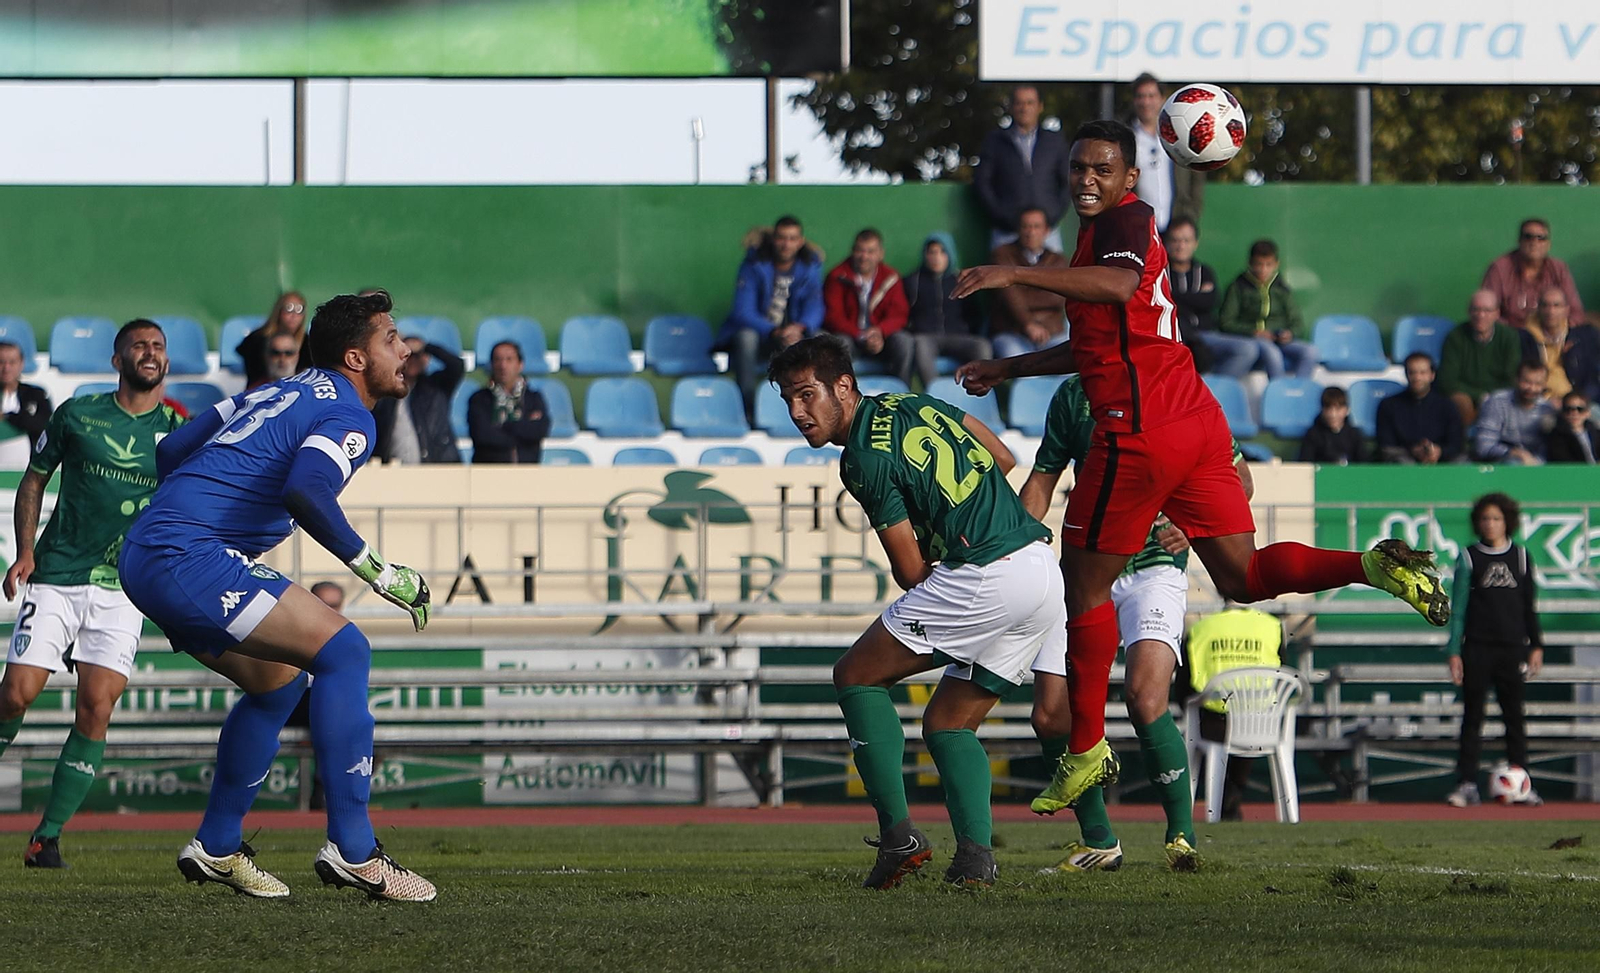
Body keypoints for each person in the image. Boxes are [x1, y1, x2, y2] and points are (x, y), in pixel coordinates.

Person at [952, 118, 1448, 813]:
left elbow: (1120, 287)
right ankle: (1369, 566)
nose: (1086, 180)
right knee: (1242, 576)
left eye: (1101, 168)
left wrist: (1013, 270)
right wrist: (1010, 366)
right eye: (1077, 169)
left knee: (1081, 584)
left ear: (1130, 177)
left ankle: (1087, 748)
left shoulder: (1128, 219)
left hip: (1143, 427)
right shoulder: (1097, 241)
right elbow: (1100, 339)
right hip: (1198, 419)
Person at [118, 290, 436, 901]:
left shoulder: (273, 390)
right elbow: (307, 491)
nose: (405, 349)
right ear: (355, 357)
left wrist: (197, 513)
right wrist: (377, 570)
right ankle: (355, 849)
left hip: (152, 553)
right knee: (346, 653)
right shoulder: (351, 415)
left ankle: (216, 846)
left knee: (278, 684)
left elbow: (171, 451)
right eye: (391, 339)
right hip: (189, 553)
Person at [770, 335, 1058, 889]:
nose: (798, 412)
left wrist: (954, 552)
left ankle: (899, 838)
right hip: (1042, 570)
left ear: (843, 386)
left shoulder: (862, 458)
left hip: (987, 571)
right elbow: (1001, 457)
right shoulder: (911, 403)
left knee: (855, 674)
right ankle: (975, 859)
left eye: (807, 395)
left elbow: (908, 571)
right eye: (789, 400)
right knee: (949, 722)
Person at [1020, 373, 1250, 872]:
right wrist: (1016, 545)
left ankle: (1182, 837)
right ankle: (1099, 842)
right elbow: (1043, 478)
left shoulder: (1181, 387)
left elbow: (1239, 479)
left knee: (1146, 698)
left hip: (1152, 570)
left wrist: (1191, 524)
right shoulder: (1072, 395)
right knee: (1050, 715)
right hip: (1086, 568)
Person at [0, 320, 184, 868]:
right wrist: (25, 551)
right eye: (139, 346)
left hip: (123, 587)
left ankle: (46, 838)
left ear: (167, 362)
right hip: (57, 574)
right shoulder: (77, 414)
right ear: (117, 359)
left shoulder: (179, 429)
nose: (150, 353)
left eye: (158, 347)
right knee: (16, 695)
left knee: (96, 709)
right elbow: (35, 478)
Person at [1445, 493, 1543, 808]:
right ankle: (1467, 783)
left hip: (1513, 648)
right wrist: (1454, 650)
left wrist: (1536, 644)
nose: (1491, 524)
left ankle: (1522, 782)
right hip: (1478, 648)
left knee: (1514, 716)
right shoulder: (1469, 557)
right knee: (1472, 717)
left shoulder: (1522, 557)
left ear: (1508, 521)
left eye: (1497, 518)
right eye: (1485, 518)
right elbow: (1457, 608)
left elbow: (1529, 607)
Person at [1182, 606, 1286, 821]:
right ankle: (1233, 792)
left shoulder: (1201, 628)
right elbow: (1282, 675)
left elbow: (1183, 688)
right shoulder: (1273, 626)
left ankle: (1223, 794)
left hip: (1214, 723)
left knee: (1209, 733)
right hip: (1263, 723)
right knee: (1245, 729)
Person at [715, 215, 825, 409]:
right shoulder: (754, 264)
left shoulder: (809, 267)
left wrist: (800, 327)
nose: (786, 244)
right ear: (774, 239)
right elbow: (742, 311)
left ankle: (815, 409)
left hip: (794, 336)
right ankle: (747, 407)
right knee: (745, 337)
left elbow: (815, 306)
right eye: (782, 238)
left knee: (821, 339)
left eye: (792, 239)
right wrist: (775, 331)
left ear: (800, 242)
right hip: (763, 338)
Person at [974, 84, 1070, 251]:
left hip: (1047, 233)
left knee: (1053, 276)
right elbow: (982, 183)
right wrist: (1002, 216)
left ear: (1040, 106)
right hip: (1007, 232)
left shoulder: (1054, 141)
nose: (1024, 108)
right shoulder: (995, 141)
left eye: (1030, 103)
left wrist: (1052, 216)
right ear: (1011, 107)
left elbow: (1068, 180)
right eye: (1019, 103)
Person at [1216, 240, 1318, 379]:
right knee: (1273, 354)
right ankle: (1278, 395)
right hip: (1254, 340)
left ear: (1276, 264)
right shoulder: (1238, 287)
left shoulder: (1281, 288)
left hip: (1279, 340)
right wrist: (1254, 332)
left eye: (1268, 265)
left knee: (1310, 352)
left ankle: (1299, 393)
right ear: (1250, 263)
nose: (1263, 270)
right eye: (1259, 264)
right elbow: (1226, 323)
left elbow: (1297, 321)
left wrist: (1289, 334)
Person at [822, 229, 913, 386]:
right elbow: (832, 316)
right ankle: (846, 398)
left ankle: (902, 395)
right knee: (839, 344)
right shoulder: (837, 276)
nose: (864, 257)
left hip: (882, 339)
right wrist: (860, 335)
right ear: (852, 251)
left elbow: (899, 314)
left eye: (870, 251)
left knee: (904, 341)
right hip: (851, 337)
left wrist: (880, 331)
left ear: (880, 254)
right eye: (859, 250)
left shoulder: (891, 277)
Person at [901, 233, 991, 388]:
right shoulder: (912, 281)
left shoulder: (961, 280)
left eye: (942, 252)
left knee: (982, 346)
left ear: (950, 254)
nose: (937, 257)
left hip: (958, 337)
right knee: (920, 345)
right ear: (925, 255)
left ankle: (974, 394)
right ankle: (936, 395)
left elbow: (975, 315)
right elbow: (903, 314)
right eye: (932, 252)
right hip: (927, 337)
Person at [1127, 73, 1203, 232]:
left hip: (1175, 227)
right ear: (1134, 100)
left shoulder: (1179, 135)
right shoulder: (1126, 139)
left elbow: (1195, 176)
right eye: (1141, 96)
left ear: (1162, 99)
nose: (1146, 102)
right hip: (1139, 226)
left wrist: (1190, 214)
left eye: (1151, 96)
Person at [989, 208, 1069, 359]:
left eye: (1036, 226)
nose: (1031, 232)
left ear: (1046, 231)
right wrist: (1028, 324)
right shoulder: (1001, 256)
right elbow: (1008, 296)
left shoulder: (1058, 261)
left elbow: (1058, 298)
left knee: (1072, 365)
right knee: (1019, 367)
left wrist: (1023, 290)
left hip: (1053, 334)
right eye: (1026, 226)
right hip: (1012, 334)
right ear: (1018, 229)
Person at [1437, 289, 1524, 427]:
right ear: (1468, 312)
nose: (1481, 315)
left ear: (1497, 313)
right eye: (1476, 309)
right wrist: (1480, 396)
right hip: (1467, 398)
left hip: (1500, 396)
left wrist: (1490, 397)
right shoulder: (1455, 337)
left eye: (1487, 310)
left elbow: (1512, 377)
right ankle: (1462, 446)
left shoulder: (1509, 337)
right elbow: (1447, 380)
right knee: (1460, 402)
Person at [372, 335, 464, 464]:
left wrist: (426, 347)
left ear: (426, 359)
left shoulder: (436, 387)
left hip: (437, 465)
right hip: (395, 469)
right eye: (407, 356)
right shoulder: (386, 392)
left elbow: (457, 366)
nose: (412, 361)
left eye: (417, 355)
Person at [1480, 218, 1584, 330]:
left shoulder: (1559, 269)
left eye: (1541, 238)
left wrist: (1561, 333)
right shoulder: (1499, 268)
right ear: (1519, 241)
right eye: (1528, 237)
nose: (1534, 242)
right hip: (1512, 336)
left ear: (1548, 244)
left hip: (1551, 337)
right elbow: (1485, 311)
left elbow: (1576, 312)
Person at [467, 340, 552, 464]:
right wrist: (523, 430)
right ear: (491, 365)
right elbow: (483, 436)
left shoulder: (533, 398)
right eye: (498, 360)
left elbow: (540, 430)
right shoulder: (479, 399)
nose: (503, 365)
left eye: (509, 359)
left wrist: (505, 425)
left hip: (527, 473)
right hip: (489, 473)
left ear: (520, 364)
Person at [1375, 353, 1465, 465]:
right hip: (1404, 460)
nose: (1417, 378)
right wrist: (1413, 451)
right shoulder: (1389, 405)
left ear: (1432, 375)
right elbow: (1386, 444)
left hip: (1442, 460)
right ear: (1407, 375)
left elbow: (1456, 443)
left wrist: (1438, 451)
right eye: (1412, 372)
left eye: (1423, 373)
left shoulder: (1447, 406)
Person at [1519, 287, 1600, 405]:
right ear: (1539, 309)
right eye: (1545, 305)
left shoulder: (1582, 337)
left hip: (1577, 403)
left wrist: (1579, 400)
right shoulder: (1524, 339)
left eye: (1556, 305)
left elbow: (1592, 377)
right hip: (1538, 403)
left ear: (1566, 309)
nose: (1550, 311)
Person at [1163, 217, 1223, 375]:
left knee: (1247, 350)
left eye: (1186, 240)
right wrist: (1195, 297)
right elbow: (1164, 302)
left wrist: (1176, 296)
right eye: (1175, 240)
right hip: (1174, 338)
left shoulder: (1205, 271)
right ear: (1166, 242)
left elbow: (1210, 301)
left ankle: (1210, 388)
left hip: (1208, 335)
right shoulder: (1160, 273)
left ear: (1195, 243)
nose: (1180, 246)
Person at [1474, 362, 1556, 465]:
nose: (1531, 388)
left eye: (1538, 384)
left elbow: (1549, 448)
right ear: (1516, 380)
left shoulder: (1547, 409)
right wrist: (1515, 453)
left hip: (1535, 466)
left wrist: (1535, 462)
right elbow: (1484, 446)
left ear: (1544, 385)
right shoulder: (1496, 402)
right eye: (1526, 382)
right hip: (1499, 464)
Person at [237, 292, 311, 391]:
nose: (293, 315)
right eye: (289, 309)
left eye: (299, 310)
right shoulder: (256, 340)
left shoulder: (309, 344)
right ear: (278, 311)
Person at [0, 339, 51, 469]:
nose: (6, 368)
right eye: (1, 362)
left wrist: (8, 417)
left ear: (21, 364)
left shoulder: (36, 394)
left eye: (12, 362)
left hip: (28, 466)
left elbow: (44, 425)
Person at [1298, 386, 1366, 464]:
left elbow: (1364, 466)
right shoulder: (1312, 435)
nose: (1333, 414)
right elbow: (1305, 465)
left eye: (1338, 409)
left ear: (1346, 410)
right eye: (1328, 408)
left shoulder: (1355, 434)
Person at [1547, 391, 1600, 464]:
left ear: (1587, 413)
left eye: (1580, 409)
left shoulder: (1595, 432)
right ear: (1563, 412)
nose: (1574, 413)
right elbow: (1564, 462)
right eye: (1568, 409)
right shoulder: (1557, 437)